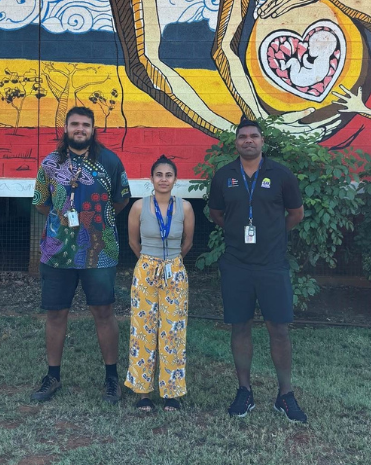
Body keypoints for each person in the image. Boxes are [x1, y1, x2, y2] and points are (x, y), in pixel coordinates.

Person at [208, 119, 307, 422]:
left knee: (278, 328)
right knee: (240, 326)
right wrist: (241, 233)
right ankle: (244, 391)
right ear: (235, 142)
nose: (248, 141)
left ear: (263, 141)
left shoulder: (281, 174)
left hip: (272, 264)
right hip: (237, 263)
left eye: (253, 136)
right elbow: (217, 214)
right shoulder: (224, 176)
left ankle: (285, 395)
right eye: (242, 137)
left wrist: (271, 235)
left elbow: (295, 214)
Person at [30, 106, 131, 403]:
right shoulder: (50, 163)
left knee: (103, 311)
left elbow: (121, 200)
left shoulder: (110, 162)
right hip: (57, 252)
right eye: (74, 124)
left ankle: (112, 379)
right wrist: (62, 221)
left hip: (98, 251)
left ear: (93, 129)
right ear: (65, 128)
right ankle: (52, 376)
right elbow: (39, 202)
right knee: (56, 313)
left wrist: (95, 220)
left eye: (85, 124)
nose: (80, 129)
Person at [125, 155, 195, 411]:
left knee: (173, 330)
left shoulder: (185, 207)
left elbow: (187, 241)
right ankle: (142, 391)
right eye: (159, 175)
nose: (163, 179)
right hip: (146, 269)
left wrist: (172, 264)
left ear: (175, 180)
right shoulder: (139, 207)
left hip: (174, 271)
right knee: (143, 329)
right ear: (151, 179)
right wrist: (149, 262)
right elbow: (133, 242)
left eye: (169, 175)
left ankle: (171, 392)